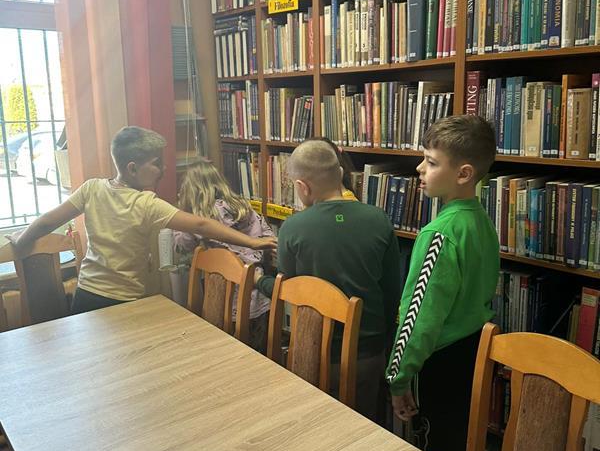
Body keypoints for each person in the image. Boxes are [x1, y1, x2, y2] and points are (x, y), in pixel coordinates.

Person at [10, 127, 276, 314]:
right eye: (156, 163)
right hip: (124, 301)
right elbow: (201, 225)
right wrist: (252, 242)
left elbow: (47, 222)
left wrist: (22, 240)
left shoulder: (91, 188)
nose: (164, 169)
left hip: (86, 294)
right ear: (132, 168)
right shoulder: (146, 203)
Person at [256, 139, 402, 421]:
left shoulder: (293, 227)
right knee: (365, 425)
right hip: (367, 352)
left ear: (303, 187)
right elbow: (391, 291)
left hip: (316, 349)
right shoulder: (379, 219)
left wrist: (259, 281)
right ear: (340, 174)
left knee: (318, 425)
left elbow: (289, 290)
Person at [386, 115, 499, 451]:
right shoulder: (480, 221)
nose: (420, 169)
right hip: (474, 351)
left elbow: (418, 317)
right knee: (457, 445)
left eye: (431, 162)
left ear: (463, 174)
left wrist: (398, 378)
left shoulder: (439, 235)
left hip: (439, 360)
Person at [173, 159, 274, 353]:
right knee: (255, 350)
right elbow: (268, 236)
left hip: (223, 298)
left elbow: (182, 244)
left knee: (225, 350)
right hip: (257, 294)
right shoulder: (244, 207)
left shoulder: (199, 217)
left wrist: (182, 212)